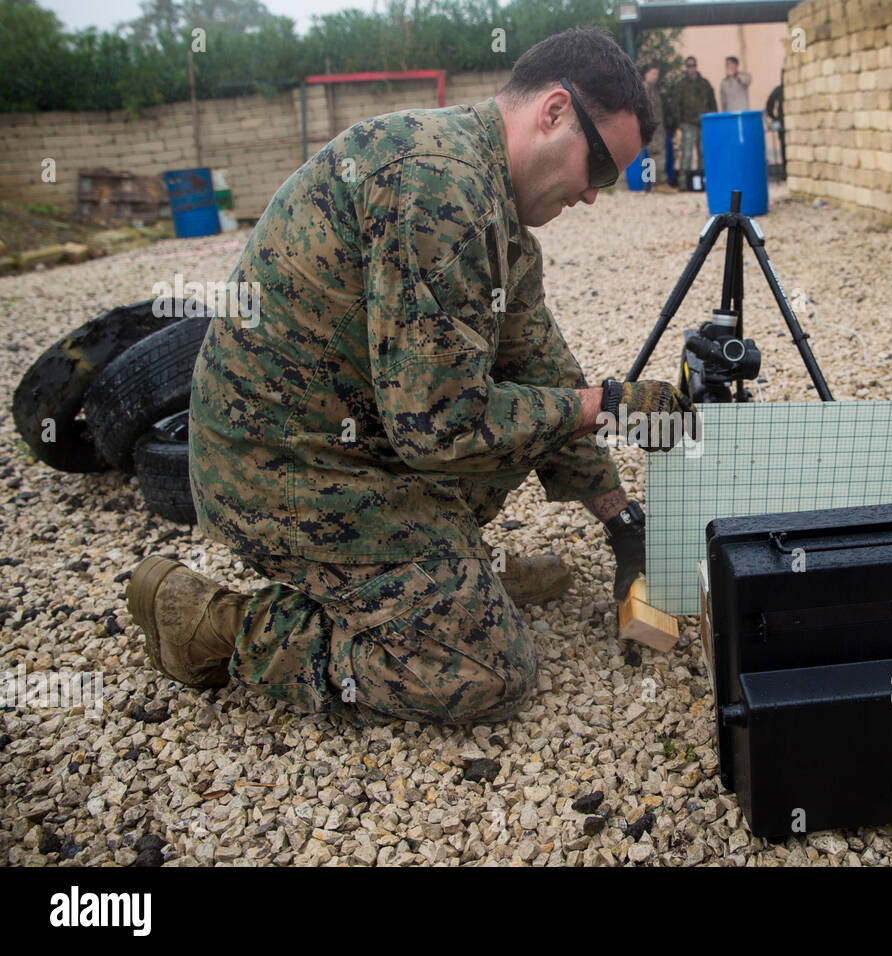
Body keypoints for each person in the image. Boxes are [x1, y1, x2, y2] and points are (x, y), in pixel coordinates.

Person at [125, 29, 696, 727]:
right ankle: (217, 625)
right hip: (278, 468)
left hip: (354, 442)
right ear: (553, 111)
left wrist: (621, 520)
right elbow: (442, 426)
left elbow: (545, 375)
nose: (593, 197)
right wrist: (605, 405)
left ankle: (433, 580)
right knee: (486, 672)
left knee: (535, 417)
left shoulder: (498, 219)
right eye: (600, 168)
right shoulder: (440, 189)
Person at [671, 56, 716, 189]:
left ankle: (707, 181)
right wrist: (679, 123)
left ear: (696, 66)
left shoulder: (704, 84)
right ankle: (683, 182)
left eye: (693, 65)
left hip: (704, 123)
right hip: (688, 124)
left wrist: (712, 120)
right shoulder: (681, 85)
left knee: (705, 153)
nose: (691, 68)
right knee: (687, 154)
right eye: (689, 66)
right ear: (686, 67)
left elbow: (712, 103)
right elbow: (676, 105)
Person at [642, 64, 665, 192]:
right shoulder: (645, 89)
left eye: (657, 74)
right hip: (652, 128)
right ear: (647, 74)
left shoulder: (653, 89)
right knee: (654, 156)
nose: (656, 77)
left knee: (656, 155)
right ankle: (656, 183)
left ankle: (657, 183)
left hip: (657, 128)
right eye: (653, 74)